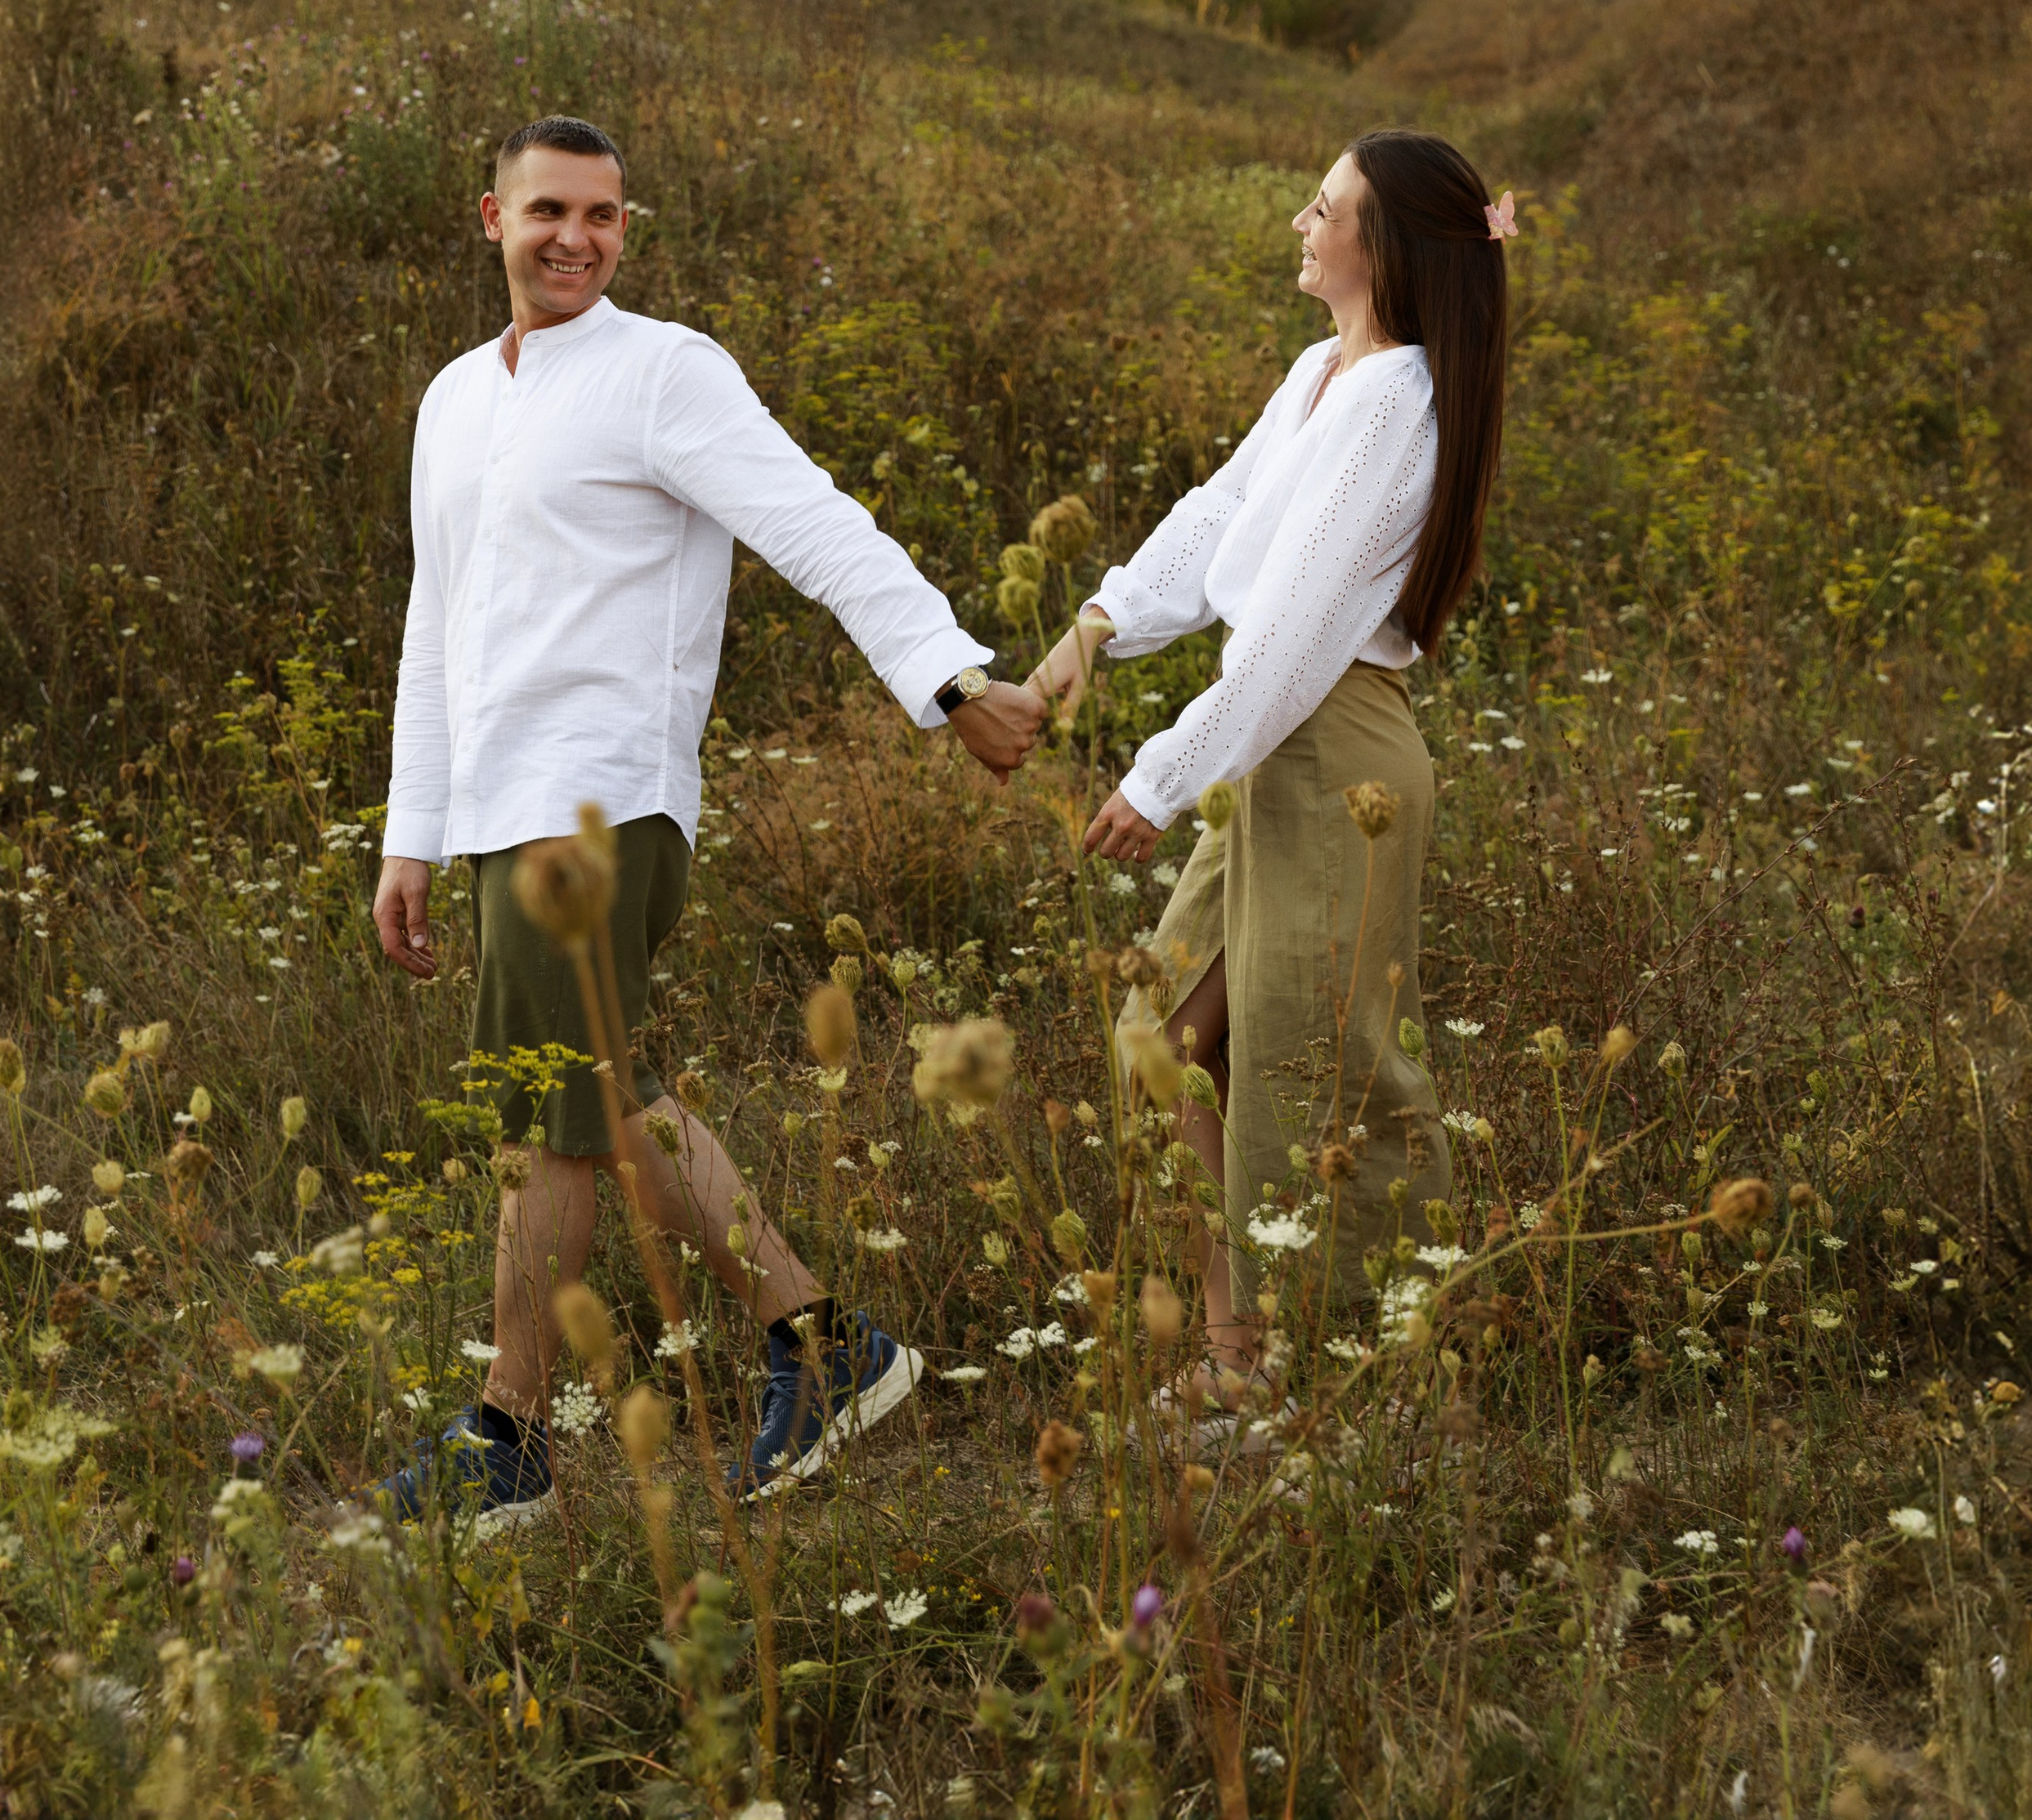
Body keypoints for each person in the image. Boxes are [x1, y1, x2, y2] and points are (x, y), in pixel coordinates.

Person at [369, 114, 1044, 1528]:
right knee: (568, 1108)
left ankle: (550, 1419)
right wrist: (410, 829)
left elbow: (817, 523)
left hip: (605, 797)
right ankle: (758, 1363)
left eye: (605, 217)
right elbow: (436, 621)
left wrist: (949, 675)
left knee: (573, 1100)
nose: (577, 238)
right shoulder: (451, 400)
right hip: (497, 811)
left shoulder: (664, 372)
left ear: (627, 230)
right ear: (486, 220)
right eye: (549, 210)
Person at [1028, 129, 1510, 1417]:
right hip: (1269, 742)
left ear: (1385, 242)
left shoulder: (1398, 399)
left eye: (1325, 206)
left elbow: (1295, 629)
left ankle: (1392, 1378)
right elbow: (1218, 518)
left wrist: (1162, 773)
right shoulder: (1320, 371)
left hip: (1332, 740)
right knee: (1158, 1038)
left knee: (1324, 1065)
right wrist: (1096, 628)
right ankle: (1238, 1357)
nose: (1302, 222)